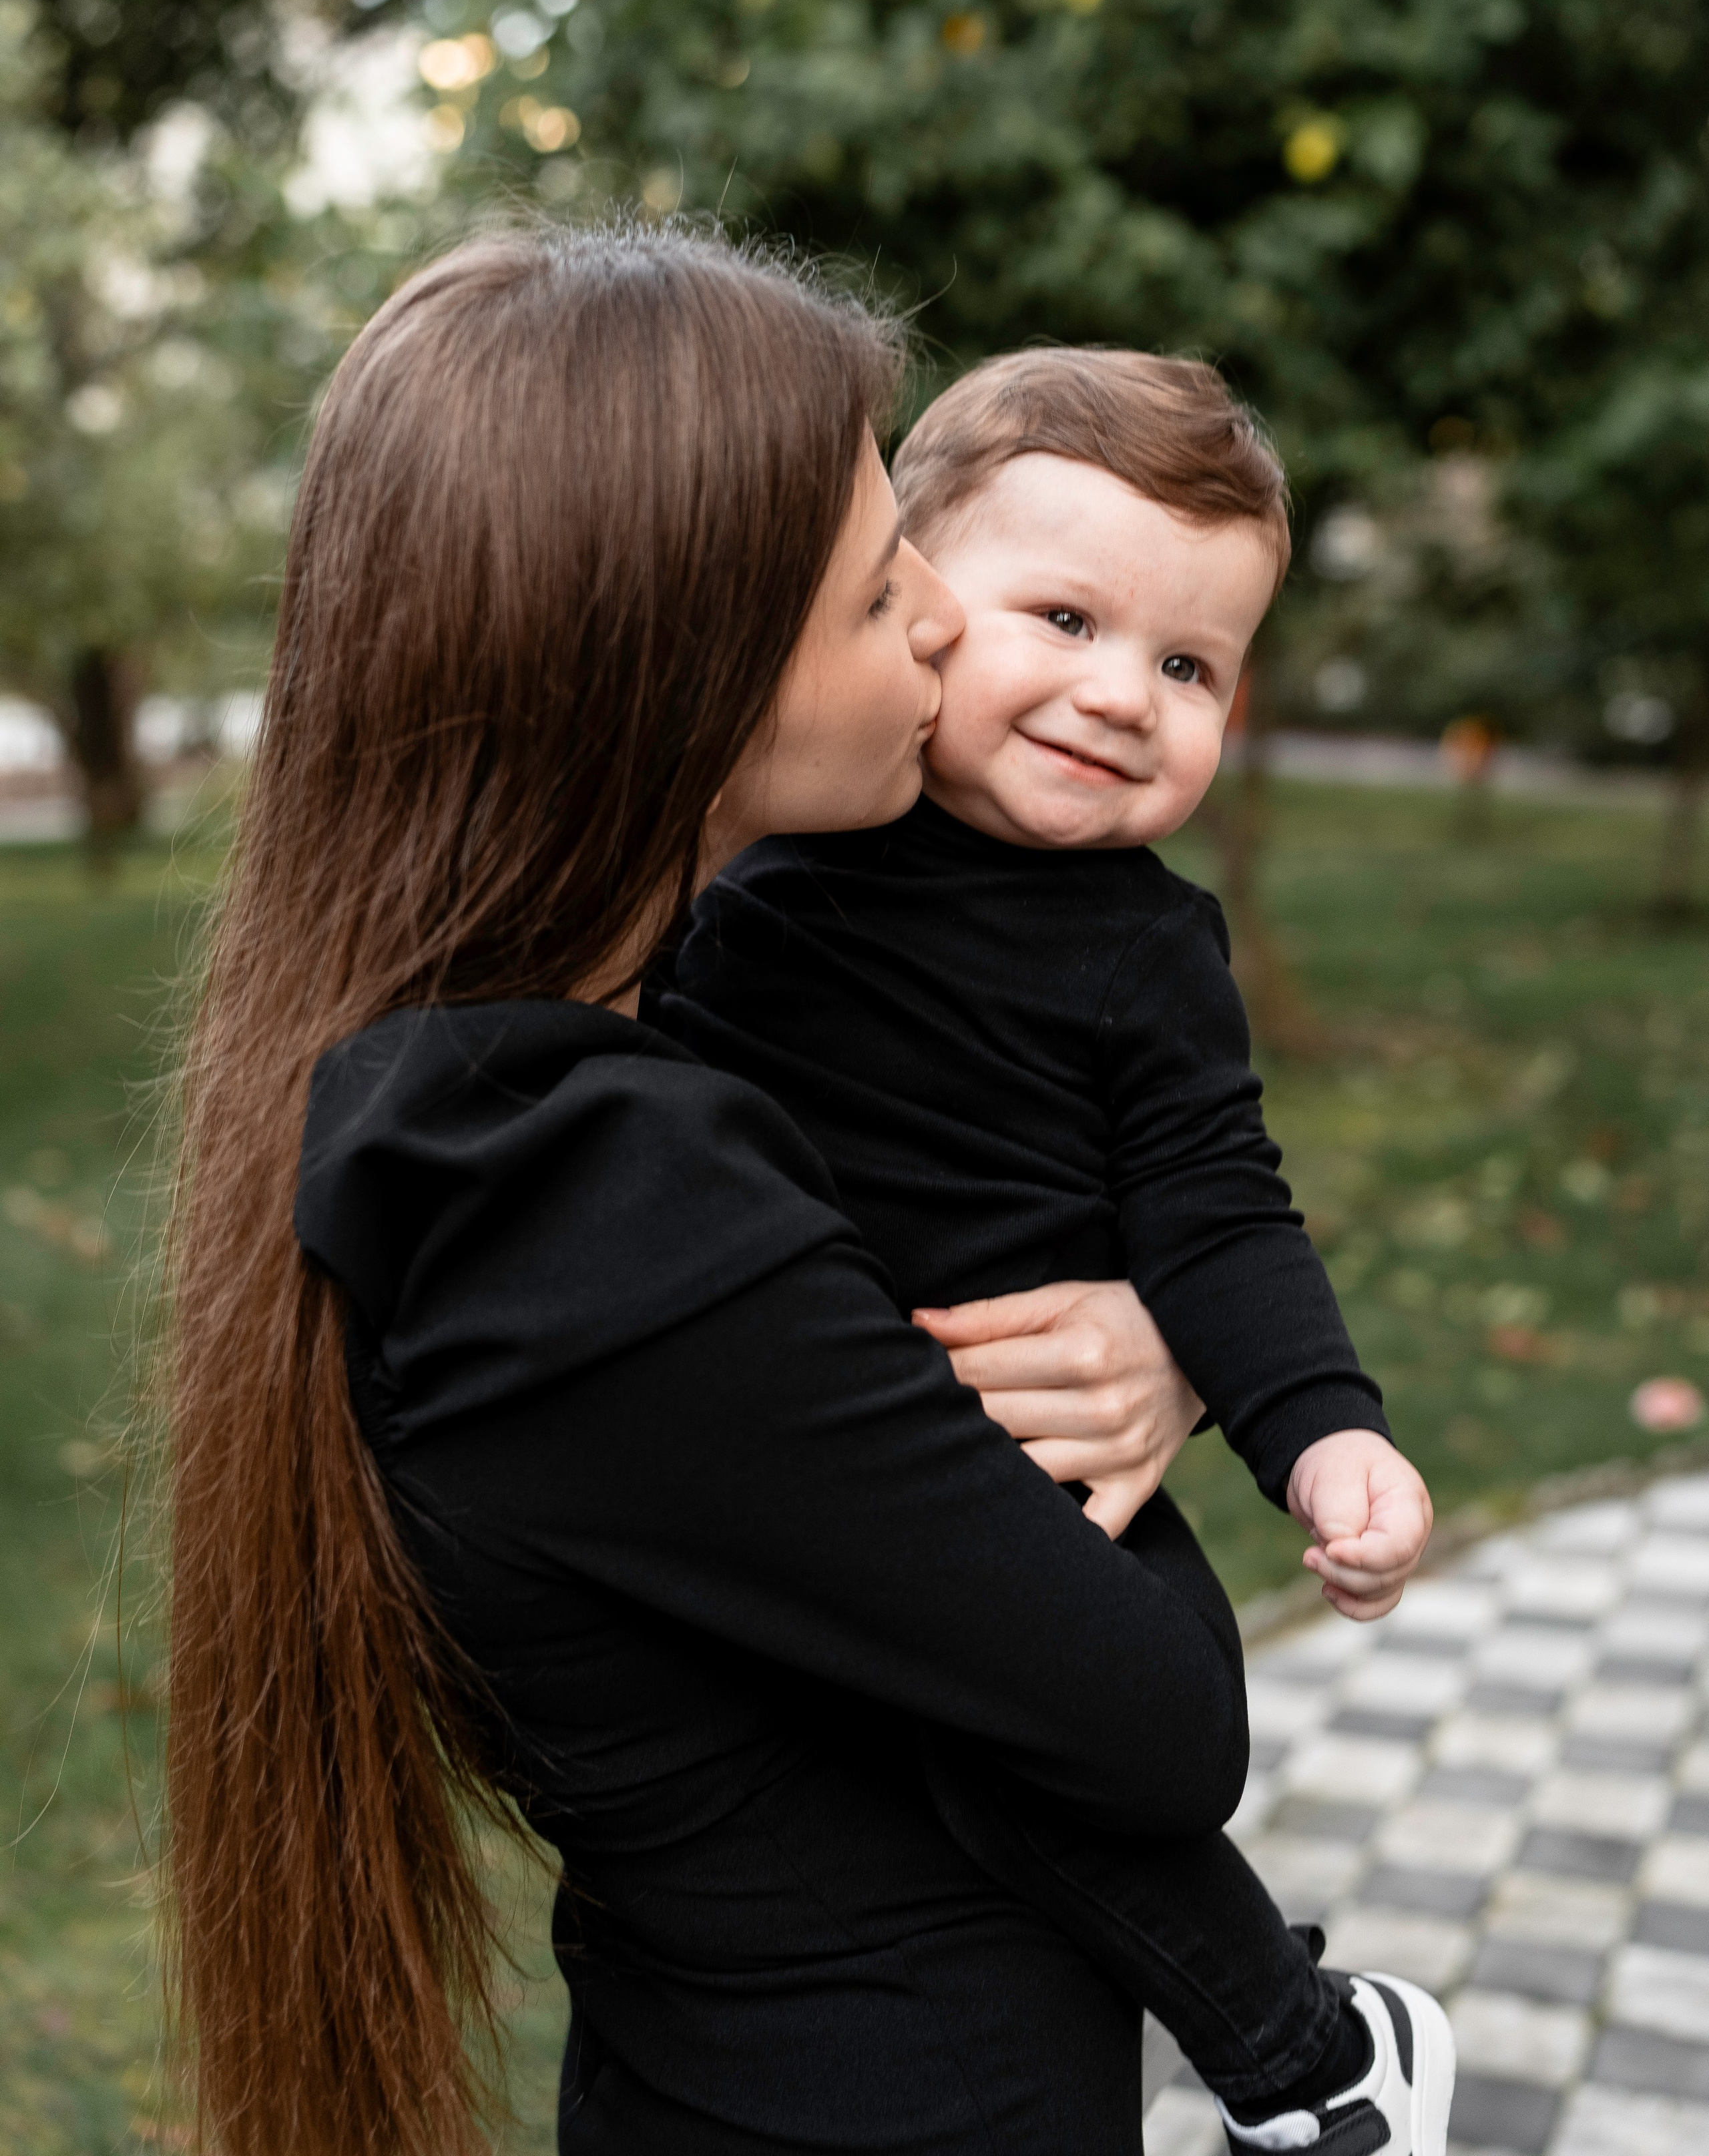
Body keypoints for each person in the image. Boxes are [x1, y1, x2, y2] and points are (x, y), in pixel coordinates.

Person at [165, 224, 1284, 2156]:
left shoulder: (540, 1081)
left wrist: (1169, 1320)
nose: (947, 624)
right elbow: (1163, 1725)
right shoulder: (590, 1200)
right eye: (880, 593)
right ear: (677, 675)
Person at [662, 347, 1454, 2155]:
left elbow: (1217, 1201)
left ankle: (1305, 2055)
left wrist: (1326, 1434)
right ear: (913, 604)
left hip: (1051, 1499)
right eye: (1069, 618)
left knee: (1026, 1764)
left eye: (1189, 667)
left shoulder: (1146, 950)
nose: (1123, 695)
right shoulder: (764, 869)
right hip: (848, 1476)